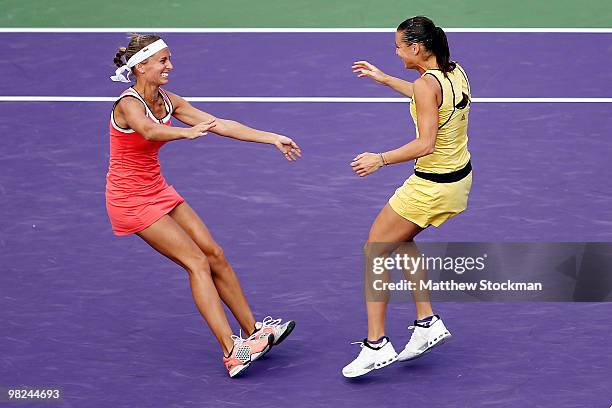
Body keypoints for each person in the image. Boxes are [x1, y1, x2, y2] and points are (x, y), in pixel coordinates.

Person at [106, 34, 299, 378]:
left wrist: (271, 137)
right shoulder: (128, 103)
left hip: (157, 188)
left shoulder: (169, 99)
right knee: (195, 262)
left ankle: (254, 330)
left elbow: (219, 124)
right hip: (130, 199)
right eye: (163, 61)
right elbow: (148, 131)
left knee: (214, 254)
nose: (170, 66)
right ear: (141, 67)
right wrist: (185, 134)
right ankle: (232, 350)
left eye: (168, 59)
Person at [343, 16, 473, 377]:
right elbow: (429, 100)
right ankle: (427, 321)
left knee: (376, 250)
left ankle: (376, 344)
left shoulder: (424, 85)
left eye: (399, 46)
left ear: (416, 48)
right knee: (400, 239)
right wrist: (385, 78)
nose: (396, 51)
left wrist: (379, 159)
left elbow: (425, 143)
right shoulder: (453, 72)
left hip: (431, 186)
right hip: (457, 180)